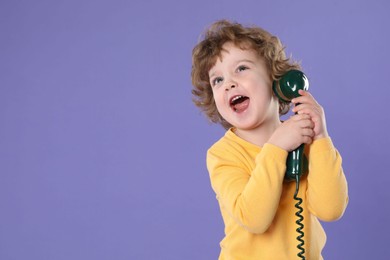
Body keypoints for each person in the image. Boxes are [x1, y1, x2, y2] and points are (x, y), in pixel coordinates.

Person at [191, 20, 348, 260]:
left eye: (241, 68)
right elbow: (253, 218)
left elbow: (331, 209)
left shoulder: (304, 140)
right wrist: (276, 148)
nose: (229, 83)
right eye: (217, 80)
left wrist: (320, 138)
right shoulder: (223, 154)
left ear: (277, 80)